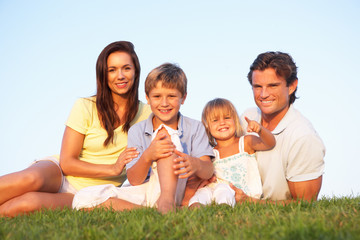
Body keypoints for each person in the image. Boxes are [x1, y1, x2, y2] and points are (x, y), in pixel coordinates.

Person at [0, 41, 151, 217]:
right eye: (112, 70)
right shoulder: (85, 106)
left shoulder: (148, 114)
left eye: (126, 68)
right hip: (60, 173)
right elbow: (67, 162)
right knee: (29, 179)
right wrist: (113, 168)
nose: (120, 76)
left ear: (136, 71)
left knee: (27, 204)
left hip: (87, 194)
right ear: (103, 75)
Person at [72, 63, 215, 213]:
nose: (164, 103)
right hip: (146, 191)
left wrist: (196, 164)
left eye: (171, 96)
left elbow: (208, 170)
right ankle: (151, 210)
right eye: (157, 96)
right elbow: (134, 180)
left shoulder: (195, 127)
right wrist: (148, 156)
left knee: (166, 145)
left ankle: (167, 203)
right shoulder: (137, 131)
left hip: (179, 188)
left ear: (183, 98)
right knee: (82, 199)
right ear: (147, 98)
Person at [231, 51, 325, 204]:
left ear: (292, 86)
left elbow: (306, 205)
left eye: (273, 85)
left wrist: (250, 202)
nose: (263, 94)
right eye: (257, 86)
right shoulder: (247, 117)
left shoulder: (303, 137)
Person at [188, 98, 275, 207]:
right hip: (214, 192)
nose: (222, 123)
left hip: (240, 195)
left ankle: (224, 208)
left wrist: (260, 130)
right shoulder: (211, 153)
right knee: (202, 193)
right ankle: (196, 208)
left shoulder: (246, 142)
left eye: (227, 117)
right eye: (215, 120)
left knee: (224, 189)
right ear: (207, 127)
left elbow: (269, 143)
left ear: (235, 120)